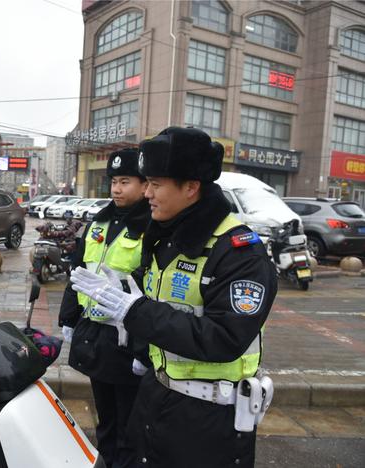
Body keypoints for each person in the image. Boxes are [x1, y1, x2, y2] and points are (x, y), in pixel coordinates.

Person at [71, 127, 277, 467]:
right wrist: (119, 300)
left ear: (191, 187)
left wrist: (134, 312)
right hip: (156, 396)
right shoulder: (165, 238)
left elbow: (225, 337)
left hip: (209, 417)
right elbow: (151, 298)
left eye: (156, 184)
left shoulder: (240, 253)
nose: (147, 193)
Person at [59, 148, 151, 468]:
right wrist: (68, 317)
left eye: (125, 181)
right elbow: (79, 268)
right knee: (105, 415)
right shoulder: (100, 220)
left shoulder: (152, 225)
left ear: (144, 185)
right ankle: (107, 460)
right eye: (113, 181)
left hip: (128, 336)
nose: (116, 189)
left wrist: (143, 346)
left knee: (130, 420)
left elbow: (154, 287)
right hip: (95, 332)